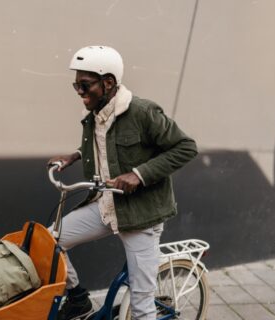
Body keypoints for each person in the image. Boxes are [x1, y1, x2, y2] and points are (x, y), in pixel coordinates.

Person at [48, 45, 198, 320]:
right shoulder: (96, 115)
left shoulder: (142, 112)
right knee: (50, 242)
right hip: (105, 206)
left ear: (108, 83)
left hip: (140, 215)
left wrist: (138, 174)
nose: (80, 92)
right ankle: (79, 299)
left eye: (85, 84)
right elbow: (109, 148)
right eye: (76, 85)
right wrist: (75, 155)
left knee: (141, 305)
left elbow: (186, 147)